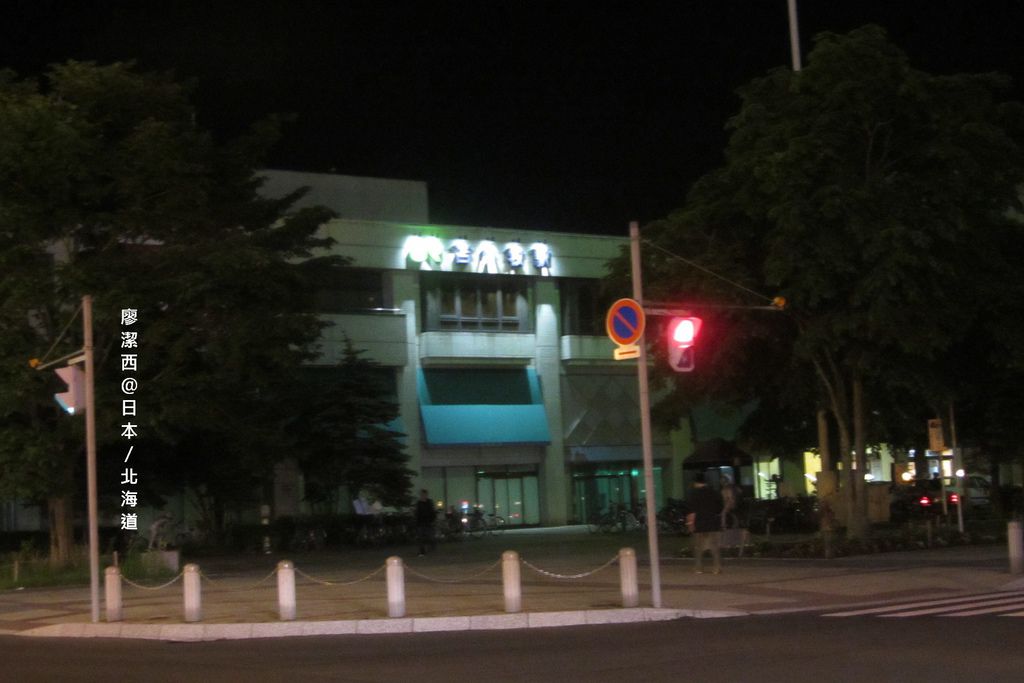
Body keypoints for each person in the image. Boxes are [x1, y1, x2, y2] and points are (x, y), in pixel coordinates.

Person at [687, 473, 724, 574]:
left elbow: (692, 511)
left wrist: (690, 524)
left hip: (699, 523)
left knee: (698, 547)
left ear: (696, 482)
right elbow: (720, 508)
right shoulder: (715, 493)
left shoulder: (694, 494)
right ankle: (717, 567)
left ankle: (699, 568)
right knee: (714, 547)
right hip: (713, 523)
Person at [414, 489, 437, 556]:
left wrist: (433, 520)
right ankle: (422, 551)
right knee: (420, 538)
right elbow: (417, 513)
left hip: (428, 522)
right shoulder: (418, 503)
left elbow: (432, 511)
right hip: (420, 522)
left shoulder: (429, 502)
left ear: (426, 495)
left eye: (424, 494)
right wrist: (416, 521)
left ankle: (432, 546)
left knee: (431, 537)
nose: (423, 496)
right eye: (422, 494)